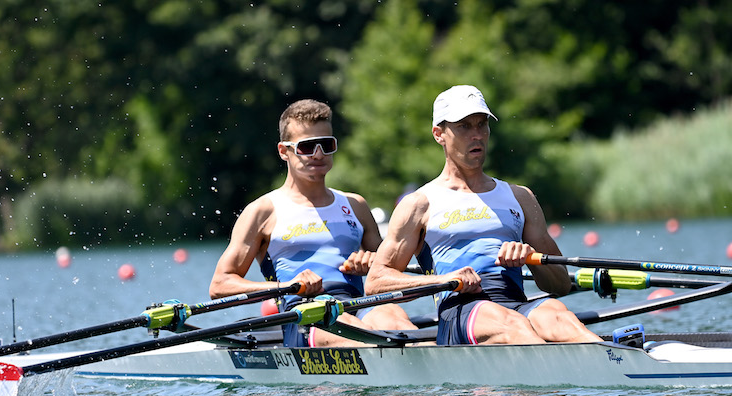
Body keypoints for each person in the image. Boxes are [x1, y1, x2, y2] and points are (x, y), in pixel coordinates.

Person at [364, 85, 602, 345]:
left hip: (516, 305)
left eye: (482, 125)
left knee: (558, 316)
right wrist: (442, 280)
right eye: (464, 126)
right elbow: (375, 282)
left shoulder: (520, 197)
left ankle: (611, 361)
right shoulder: (419, 204)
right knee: (512, 324)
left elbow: (561, 285)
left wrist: (530, 259)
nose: (476, 135)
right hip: (461, 311)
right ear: (439, 134)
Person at [209, 99, 416, 347]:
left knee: (396, 320)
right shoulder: (262, 211)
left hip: (358, 305)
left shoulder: (355, 205)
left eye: (326, 145)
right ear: (284, 151)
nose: (318, 154)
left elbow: (386, 273)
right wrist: (287, 286)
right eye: (307, 147)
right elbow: (220, 284)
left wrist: (370, 263)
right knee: (359, 333)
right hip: (305, 314)